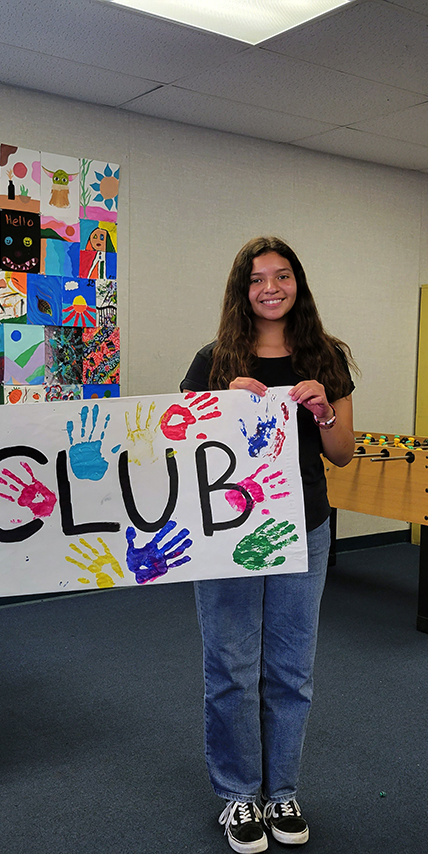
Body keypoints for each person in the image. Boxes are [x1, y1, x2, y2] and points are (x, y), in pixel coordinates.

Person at [181, 237, 355, 853]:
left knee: (290, 670)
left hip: (303, 528)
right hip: (228, 534)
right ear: (242, 290)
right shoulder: (214, 359)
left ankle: (281, 789)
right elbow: (180, 443)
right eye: (258, 280)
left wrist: (324, 413)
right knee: (228, 667)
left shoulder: (324, 357)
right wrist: (220, 407)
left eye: (283, 277)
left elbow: (342, 453)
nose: (271, 288)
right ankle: (236, 795)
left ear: (298, 285)